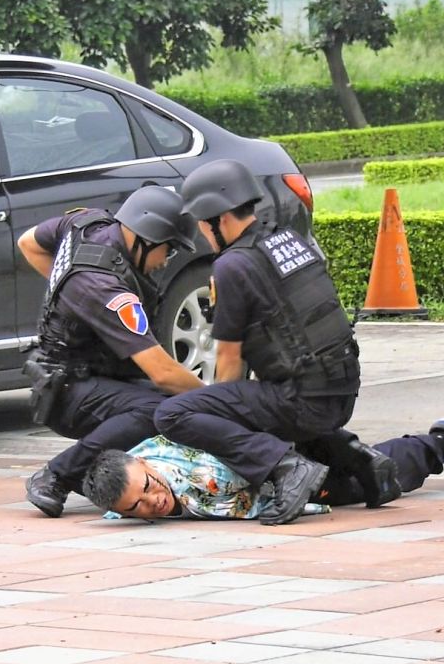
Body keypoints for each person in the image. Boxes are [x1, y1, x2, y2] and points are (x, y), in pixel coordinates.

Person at [153, 159, 391, 527]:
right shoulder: (287, 239)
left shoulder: (232, 266)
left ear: (218, 218)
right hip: (342, 389)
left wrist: (219, 417)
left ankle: (288, 469)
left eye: (202, 223)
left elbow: (229, 360)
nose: (201, 232)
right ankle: (360, 459)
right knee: (254, 406)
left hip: (303, 400)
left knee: (173, 414)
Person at [17, 185, 205, 519]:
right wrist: (218, 399)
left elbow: (29, 242)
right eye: (169, 251)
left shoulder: (87, 224)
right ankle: (58, 475)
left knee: (172, 407)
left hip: (87, 377)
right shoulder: (103, 288)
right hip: (67, 392)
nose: (165, 262)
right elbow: (162, 372)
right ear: (146, 238)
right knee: (157, 410)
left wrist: (69, 295)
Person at [84, 417, 444, 521]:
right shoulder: (121, 480)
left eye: (149, 486)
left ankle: (442, 444)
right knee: (364, 476)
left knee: (368, 481)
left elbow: (240, 500)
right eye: (136, 507)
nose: (153, 500)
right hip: (279, 469)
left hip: (287, 459)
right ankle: (436, 443)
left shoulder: (190, 475)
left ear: (144, 464)